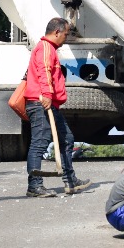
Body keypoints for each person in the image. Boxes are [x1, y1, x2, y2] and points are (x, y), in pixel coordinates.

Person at [24, 18, 91, 197]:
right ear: (56, 32)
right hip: (40, 102)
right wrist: (46, 94)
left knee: (67, 138)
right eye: (65, 34)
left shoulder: (49, 48)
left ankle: (70, 181)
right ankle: (34, 186)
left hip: (49, 103)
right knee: (39, 143)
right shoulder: (46, 47)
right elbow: (44, 70)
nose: (66, 38)